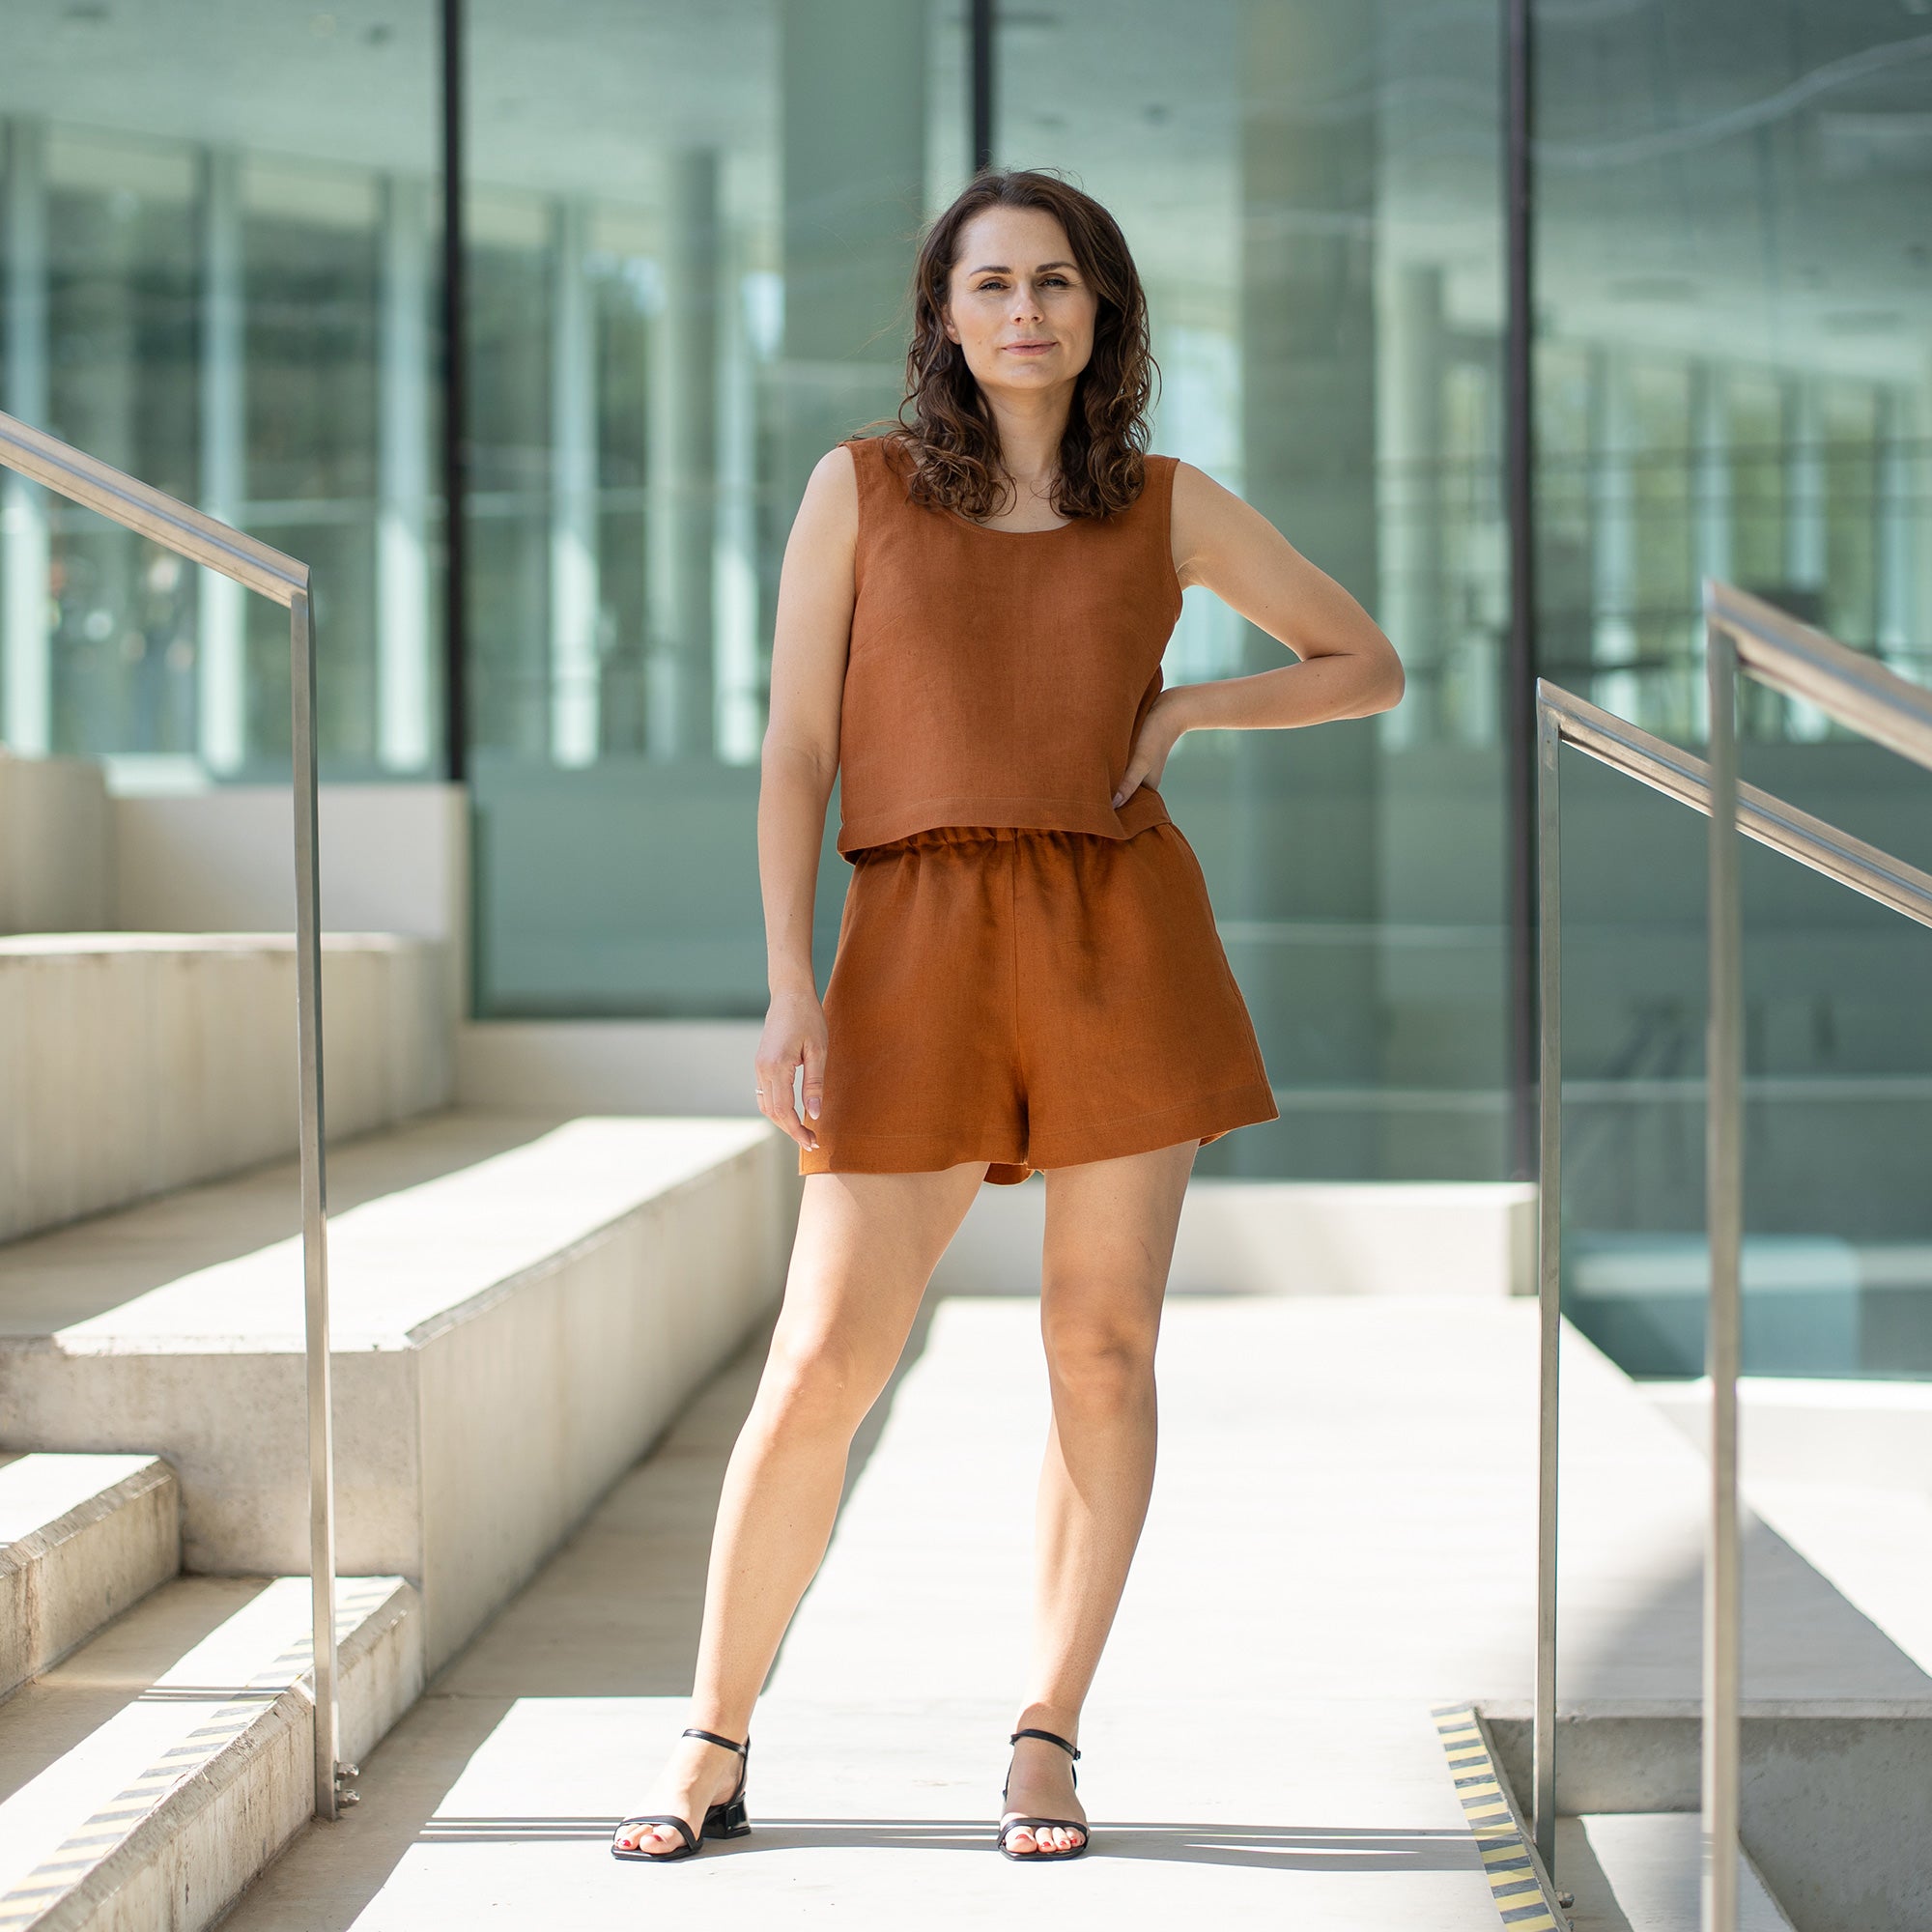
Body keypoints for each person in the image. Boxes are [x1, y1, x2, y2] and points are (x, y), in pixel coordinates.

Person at [611, 167, 1403, 1865]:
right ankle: (711, 1736)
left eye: (1055, 281)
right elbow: (798, 749)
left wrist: (1185, 712)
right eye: (991, 284)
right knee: (822, 1357)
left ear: (1103, 311)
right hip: (912, 941)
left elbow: (1367, 662)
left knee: (1099, 1348)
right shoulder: (862, 489)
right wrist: (790, 980)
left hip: (1122, 938)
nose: (1025, 309)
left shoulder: (1171, 506)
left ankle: (1048, 1733)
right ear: (945, 316)